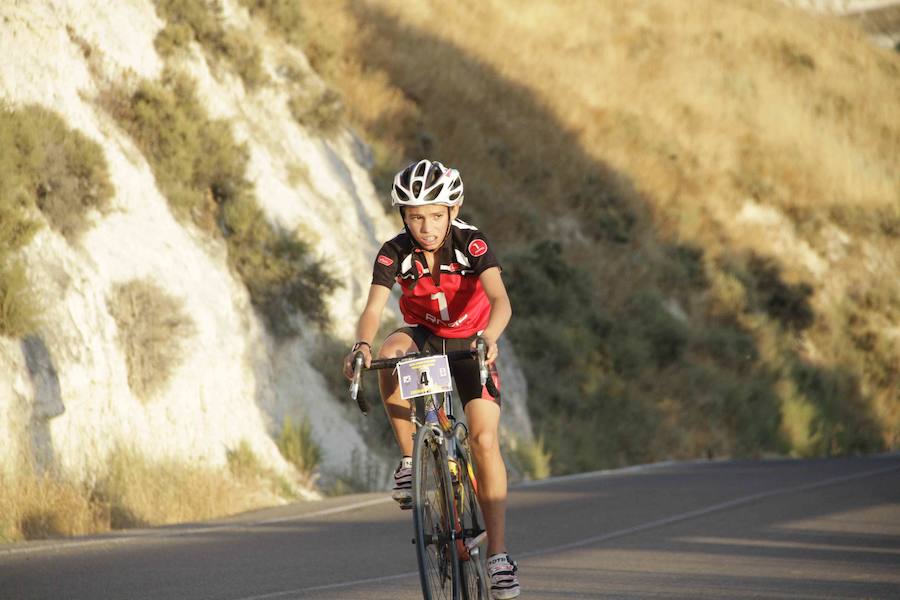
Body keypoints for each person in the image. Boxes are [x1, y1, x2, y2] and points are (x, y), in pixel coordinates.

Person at [343, 159, 520, 599]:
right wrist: (360, 347)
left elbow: (500, 299)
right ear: (403, 215)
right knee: (387, 354)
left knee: (483, 441)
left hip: (472, 342)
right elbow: (373, 308)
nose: (426, 226)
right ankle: (410, 461)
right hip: (424, 336)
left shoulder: (471, 243)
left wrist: (489, 338)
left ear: (453, 209)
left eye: (436, 215)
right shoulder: (393, 251)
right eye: (416, 216)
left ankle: (498, 557)